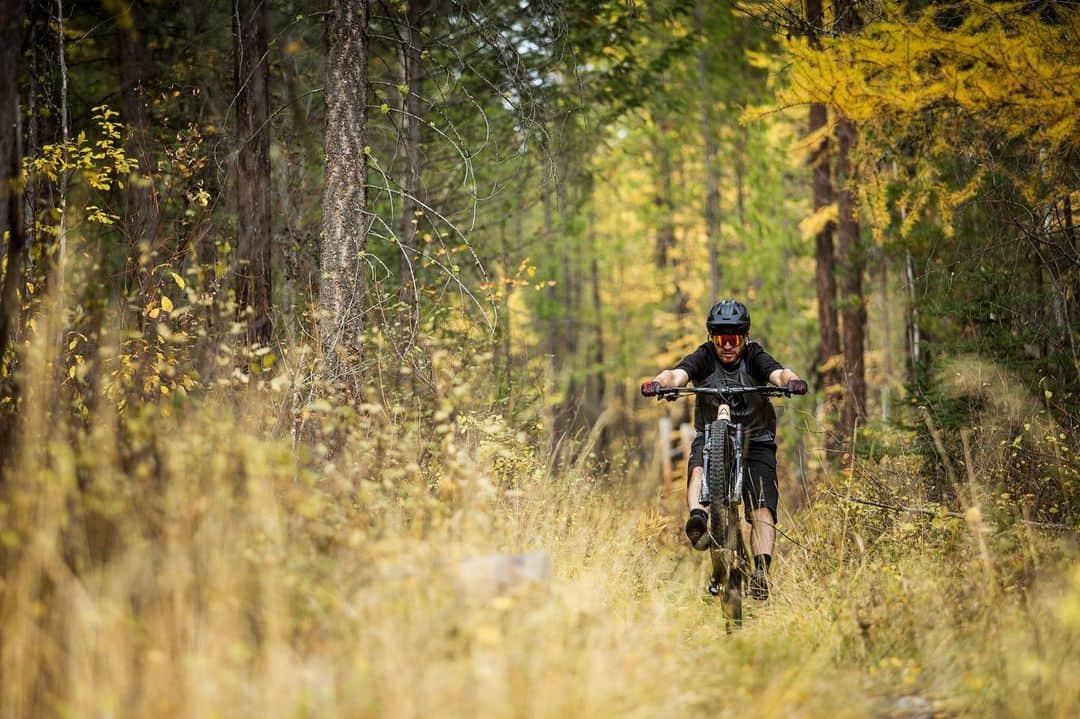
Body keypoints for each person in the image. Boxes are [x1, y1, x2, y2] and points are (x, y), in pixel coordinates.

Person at [640, 299, 807, 600]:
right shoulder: (704, 357)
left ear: (744, 338)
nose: (727, 346)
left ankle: (760, 571)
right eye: (720, 339)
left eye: (734, 339)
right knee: (699, 467)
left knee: (760, 505)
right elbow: (677, 374)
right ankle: (698, 519)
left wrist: (792, 381)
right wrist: (658, 383)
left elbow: (779, 373)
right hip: (712, 432)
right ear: (711, 339)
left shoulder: (754, 356)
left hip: (756, 438)